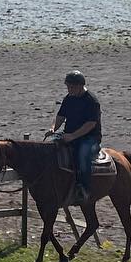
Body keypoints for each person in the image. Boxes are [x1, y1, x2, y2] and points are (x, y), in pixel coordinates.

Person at [51, 70, 102, 206]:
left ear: (80, 86)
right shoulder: (69, 98)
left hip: (89, 138)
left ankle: (84, 188)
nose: (69, 89)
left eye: (71, 87)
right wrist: (53, 129)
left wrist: (72, 136)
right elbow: (61, 116)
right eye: (68, 86)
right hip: (69, 135)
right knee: (50, 148)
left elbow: (91, 124)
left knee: (83, 155)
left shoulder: (91, 101)